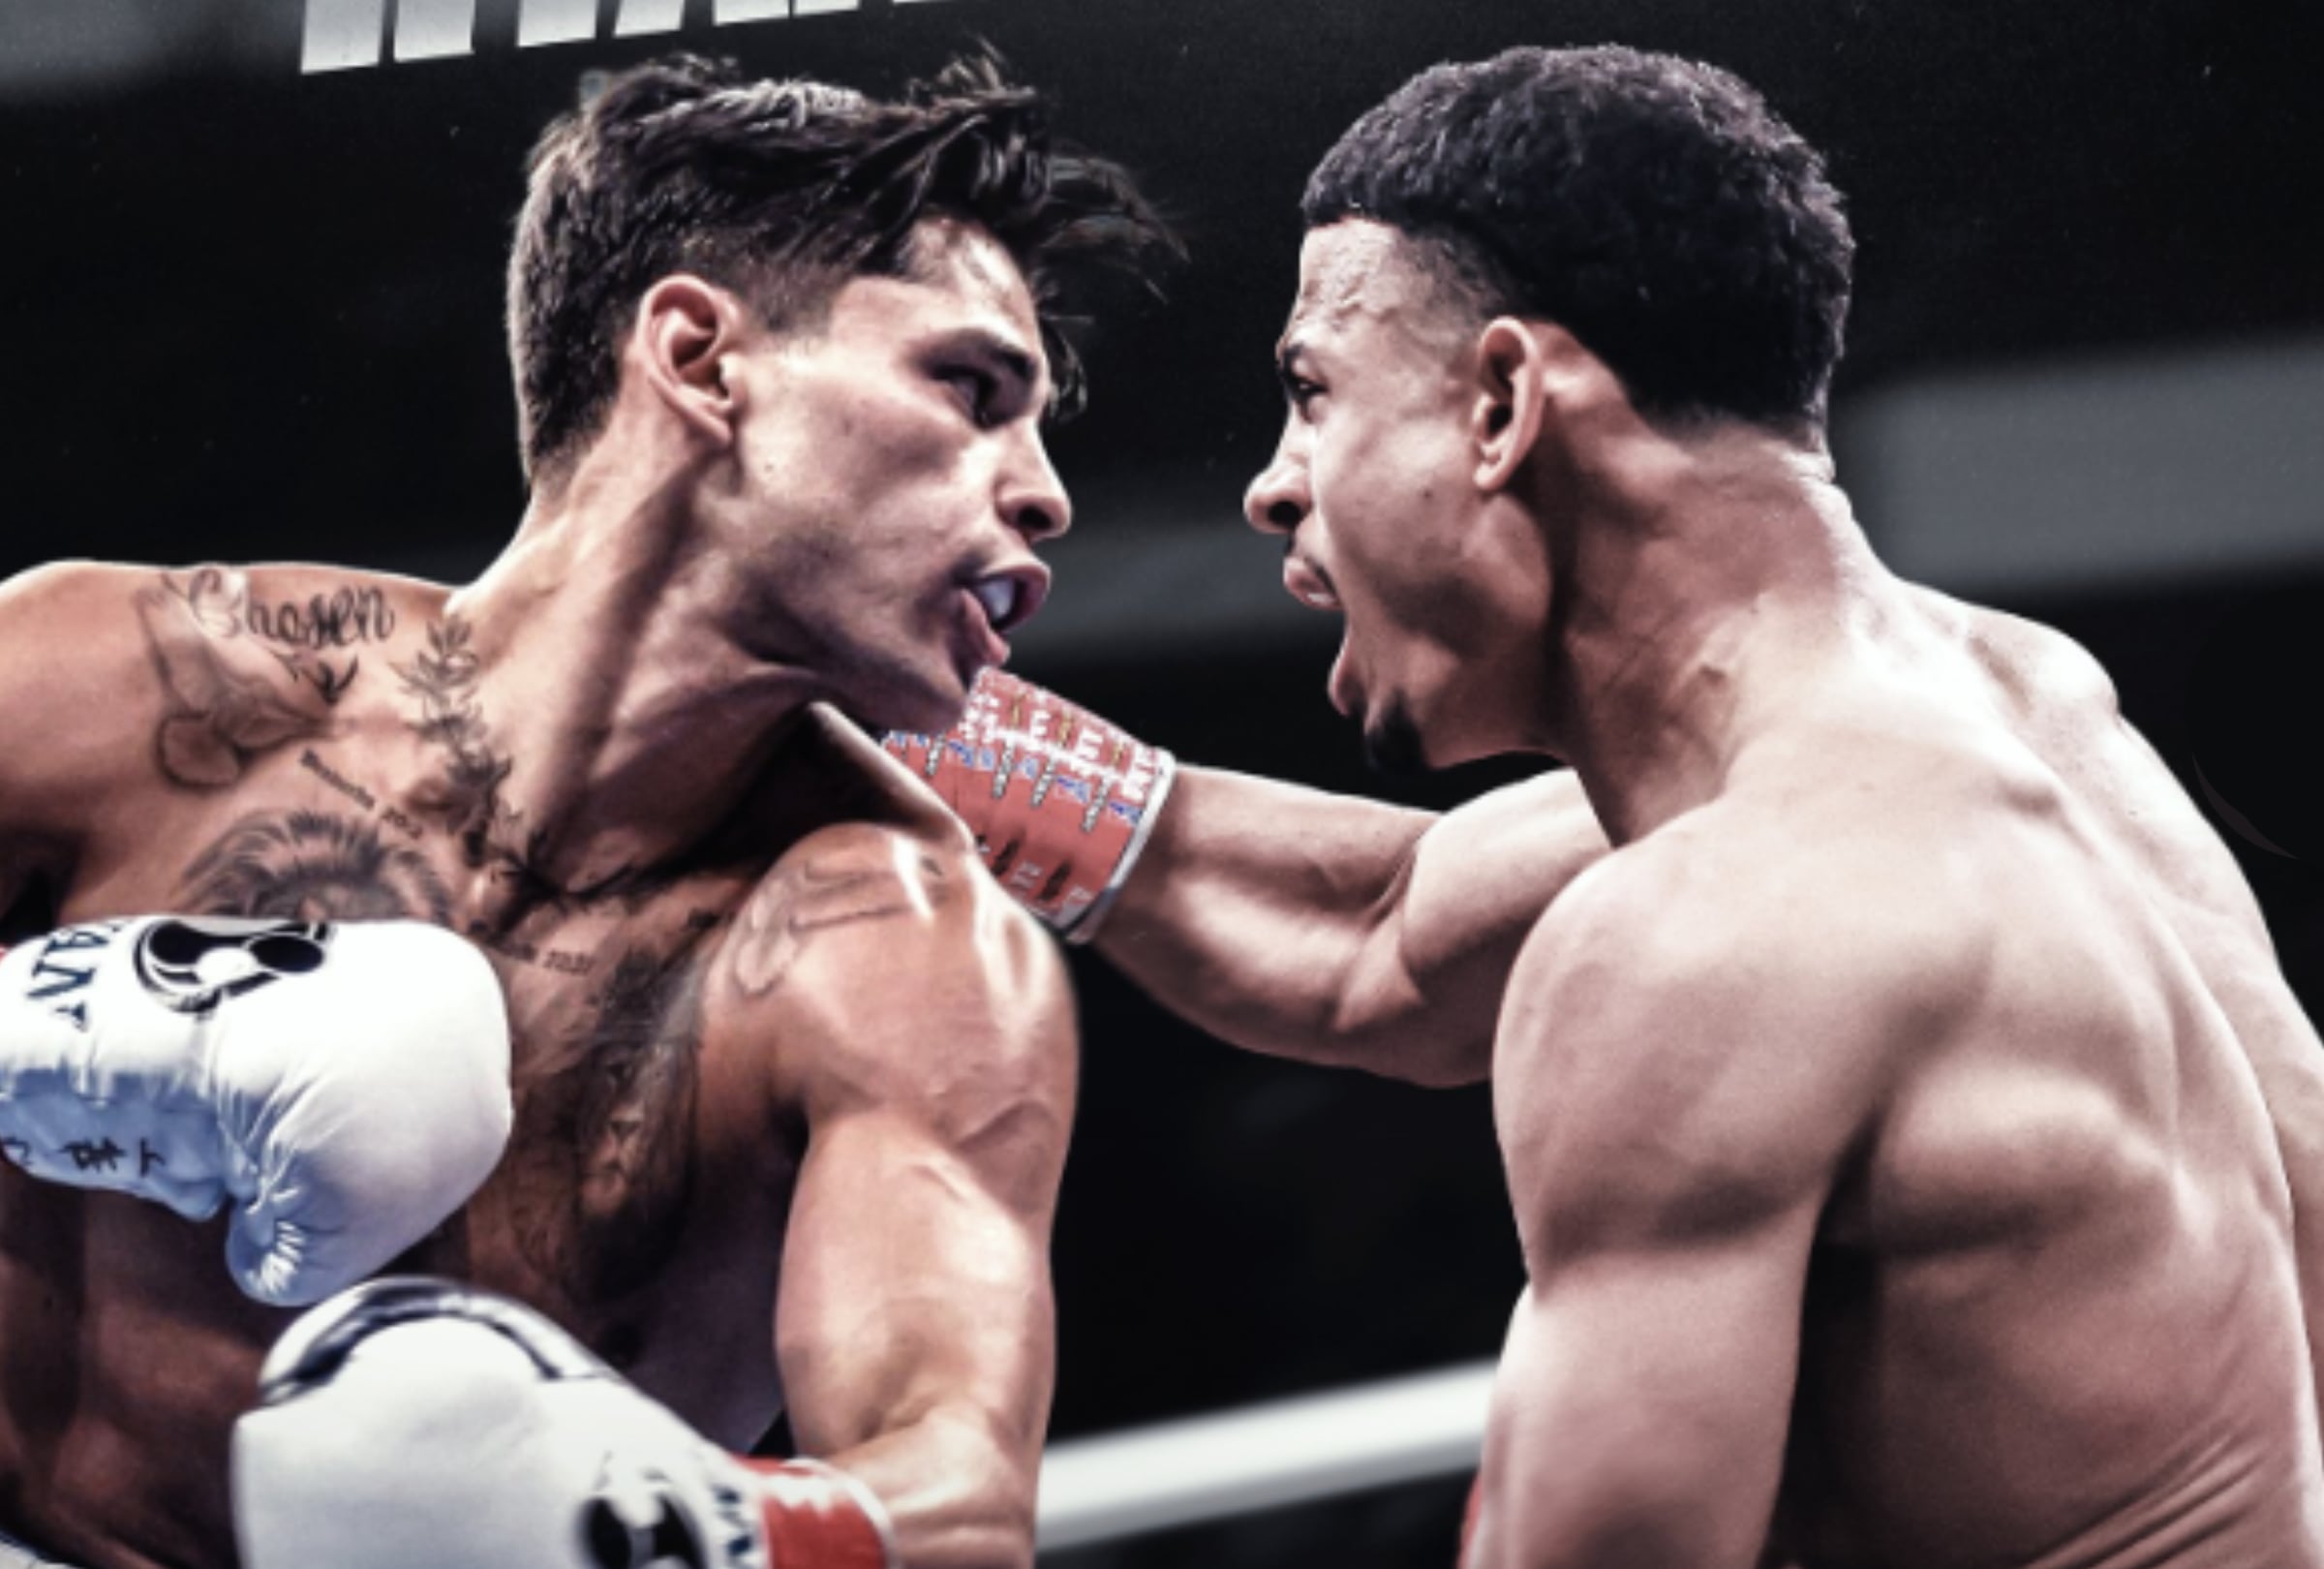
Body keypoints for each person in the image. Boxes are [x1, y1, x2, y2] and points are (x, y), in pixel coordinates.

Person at [904, 45, 2324, 1567]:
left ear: (1505, 401)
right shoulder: (2011, 719)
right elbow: (1367, 935)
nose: (1272, 482)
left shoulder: (1714, 935)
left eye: (1314, 393)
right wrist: (888, 703)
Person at [0, 50, 1168, 1569]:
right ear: (699, 357)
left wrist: (696, 1525)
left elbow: (955, 1504)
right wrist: (43, 1022)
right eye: (969, 388)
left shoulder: (904, 959)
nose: (1044, 492)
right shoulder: (125, 685)